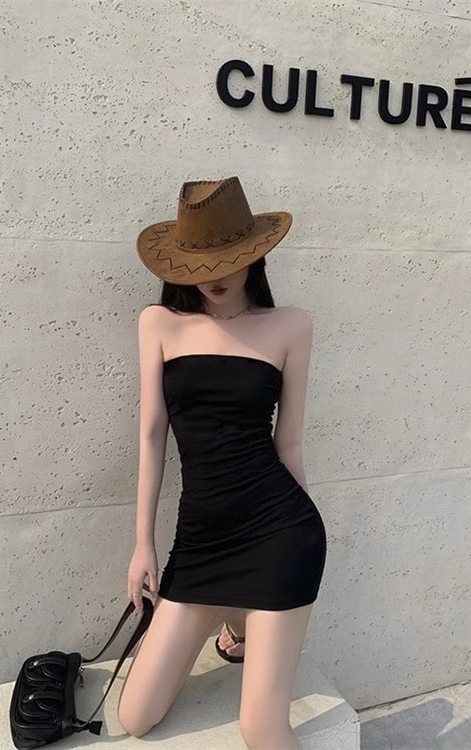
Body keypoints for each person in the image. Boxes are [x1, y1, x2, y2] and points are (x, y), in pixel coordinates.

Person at [117, 176, 328, 750]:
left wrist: (302, 546)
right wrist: (143, 544)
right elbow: (152, 435)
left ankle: (246, 618)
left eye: (227, 259)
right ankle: (236, 622)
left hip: (278, 530)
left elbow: (289, 444)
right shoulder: (158, 323)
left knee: (260, 728)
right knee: (135, 716)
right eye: (200, 263)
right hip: (201, 541)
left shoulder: (290, 326)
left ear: (253, 255)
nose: (214, 275)